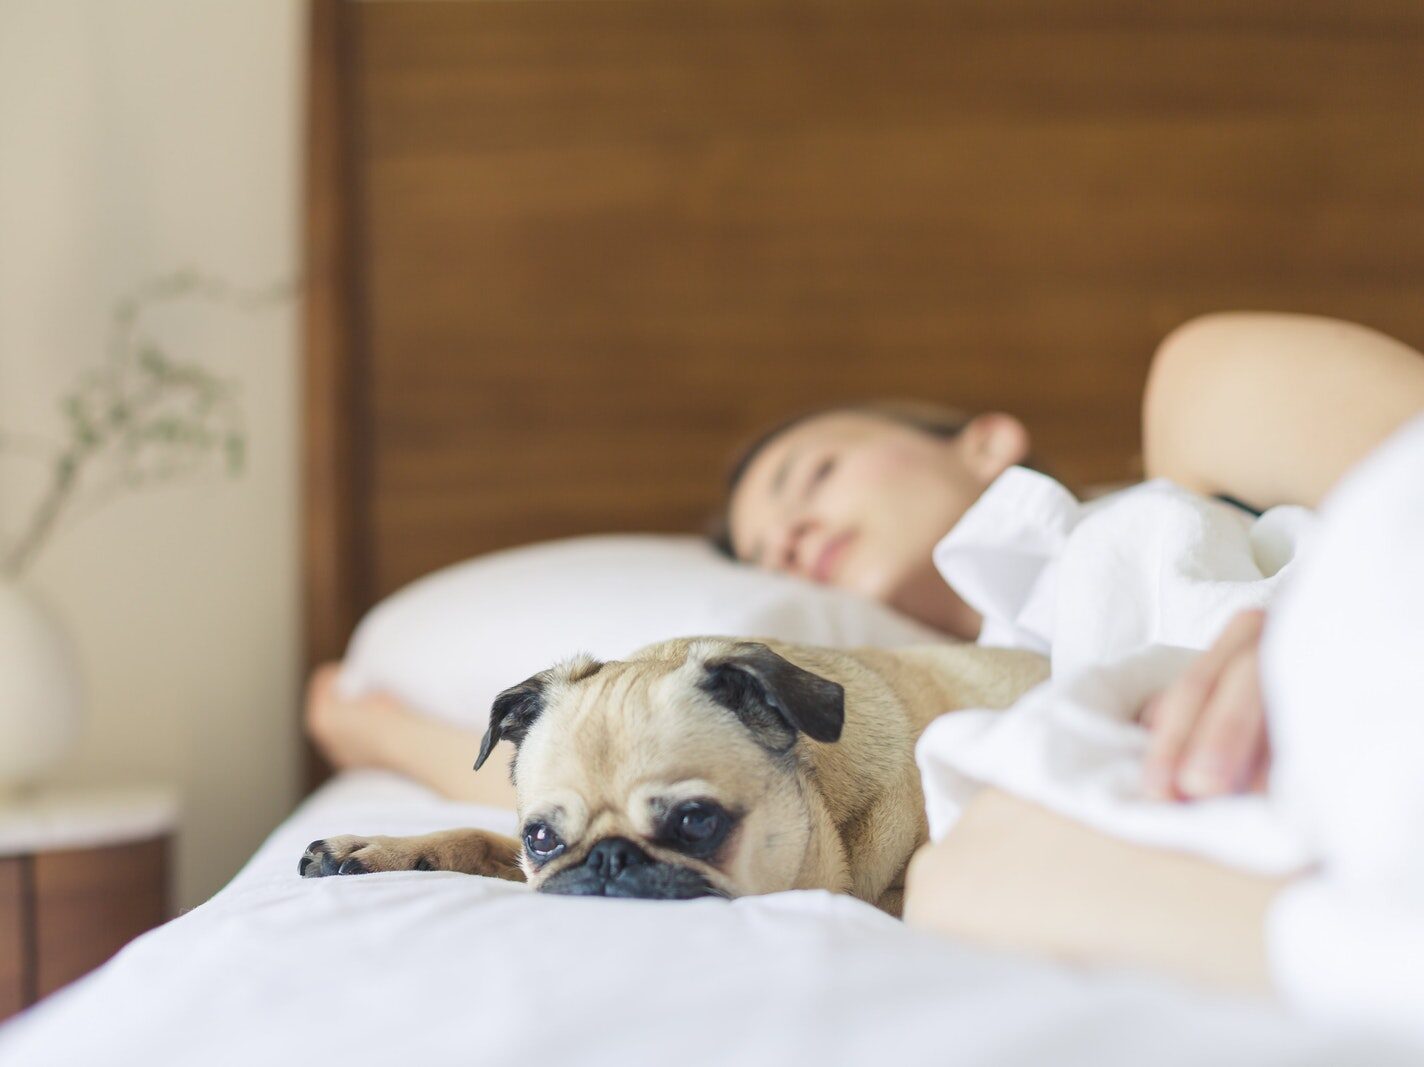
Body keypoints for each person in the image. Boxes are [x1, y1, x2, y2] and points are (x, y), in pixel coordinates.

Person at [304, 312, 1424, 997]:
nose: (789, 535)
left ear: (983, 441)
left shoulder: (1193, 439)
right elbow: (598, 777)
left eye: (813, 475)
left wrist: (1295, 624)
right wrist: (376, 728)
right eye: (766, 554)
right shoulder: (934, 773)